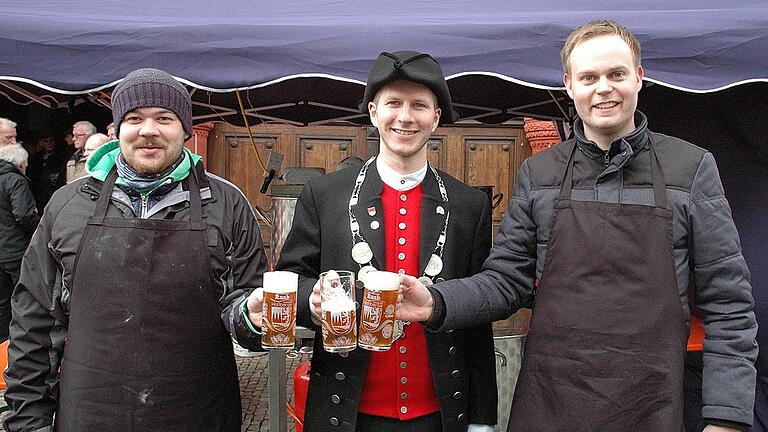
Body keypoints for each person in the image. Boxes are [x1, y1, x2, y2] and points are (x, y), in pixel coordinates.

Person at [397, 20, 758, 432]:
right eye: (589, 77)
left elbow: (729, 304)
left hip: (650, 405)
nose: (603, 87)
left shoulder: (690, 169)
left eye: (616, 74)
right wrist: (435, 301)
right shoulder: (540, 173)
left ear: (639, 78)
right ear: (570, 85)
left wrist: (726, 418)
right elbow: (506, 281)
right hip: (551, 402)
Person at [3, 67, 269, 432]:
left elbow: (243, 310)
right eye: (134, 118)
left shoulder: (228, 204)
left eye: (164, 118)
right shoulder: (68, 205)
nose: (148, 130)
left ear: (185, 130)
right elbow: (34, 323)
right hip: (90, 412)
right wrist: (29, 422)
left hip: (197, 412)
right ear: (116, 130)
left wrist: (251, 317)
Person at [276, 51, 497, 432]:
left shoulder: (468, 205)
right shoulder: (324, 196)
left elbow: (477, 320)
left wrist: (482, 420)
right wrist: (311, 298)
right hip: (343, 413)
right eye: (394, 103)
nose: (406, 117)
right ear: (374, 112)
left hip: (440, 416)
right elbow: (290, 281)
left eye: (419, 106)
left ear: (436, 117)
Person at [0, 144, 39, 343]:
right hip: (15, 248)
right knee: (21, 298)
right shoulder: (15, 180)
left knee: (1, 300)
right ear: (21, 163)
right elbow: (24, 214)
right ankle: (17, 341)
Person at [26, 133, 68, 213]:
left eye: (52, 141)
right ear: (41, 143)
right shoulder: (35, 158)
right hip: (38, 193)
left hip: (53, 190)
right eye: (46, 141)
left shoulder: (60, 156)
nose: (49, 143)